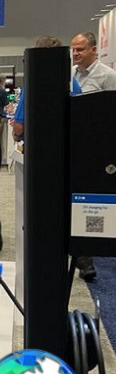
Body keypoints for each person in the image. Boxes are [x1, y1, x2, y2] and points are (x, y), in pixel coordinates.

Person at [69, 32, 116, 281]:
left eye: (81, 49)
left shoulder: (107, 76)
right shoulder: (70, 75)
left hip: (98, 149)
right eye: (74, 49)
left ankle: (88, 257)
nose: (76, 54)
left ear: (94, 50)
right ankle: (81, 255)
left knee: (92, 201)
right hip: (74, 146)